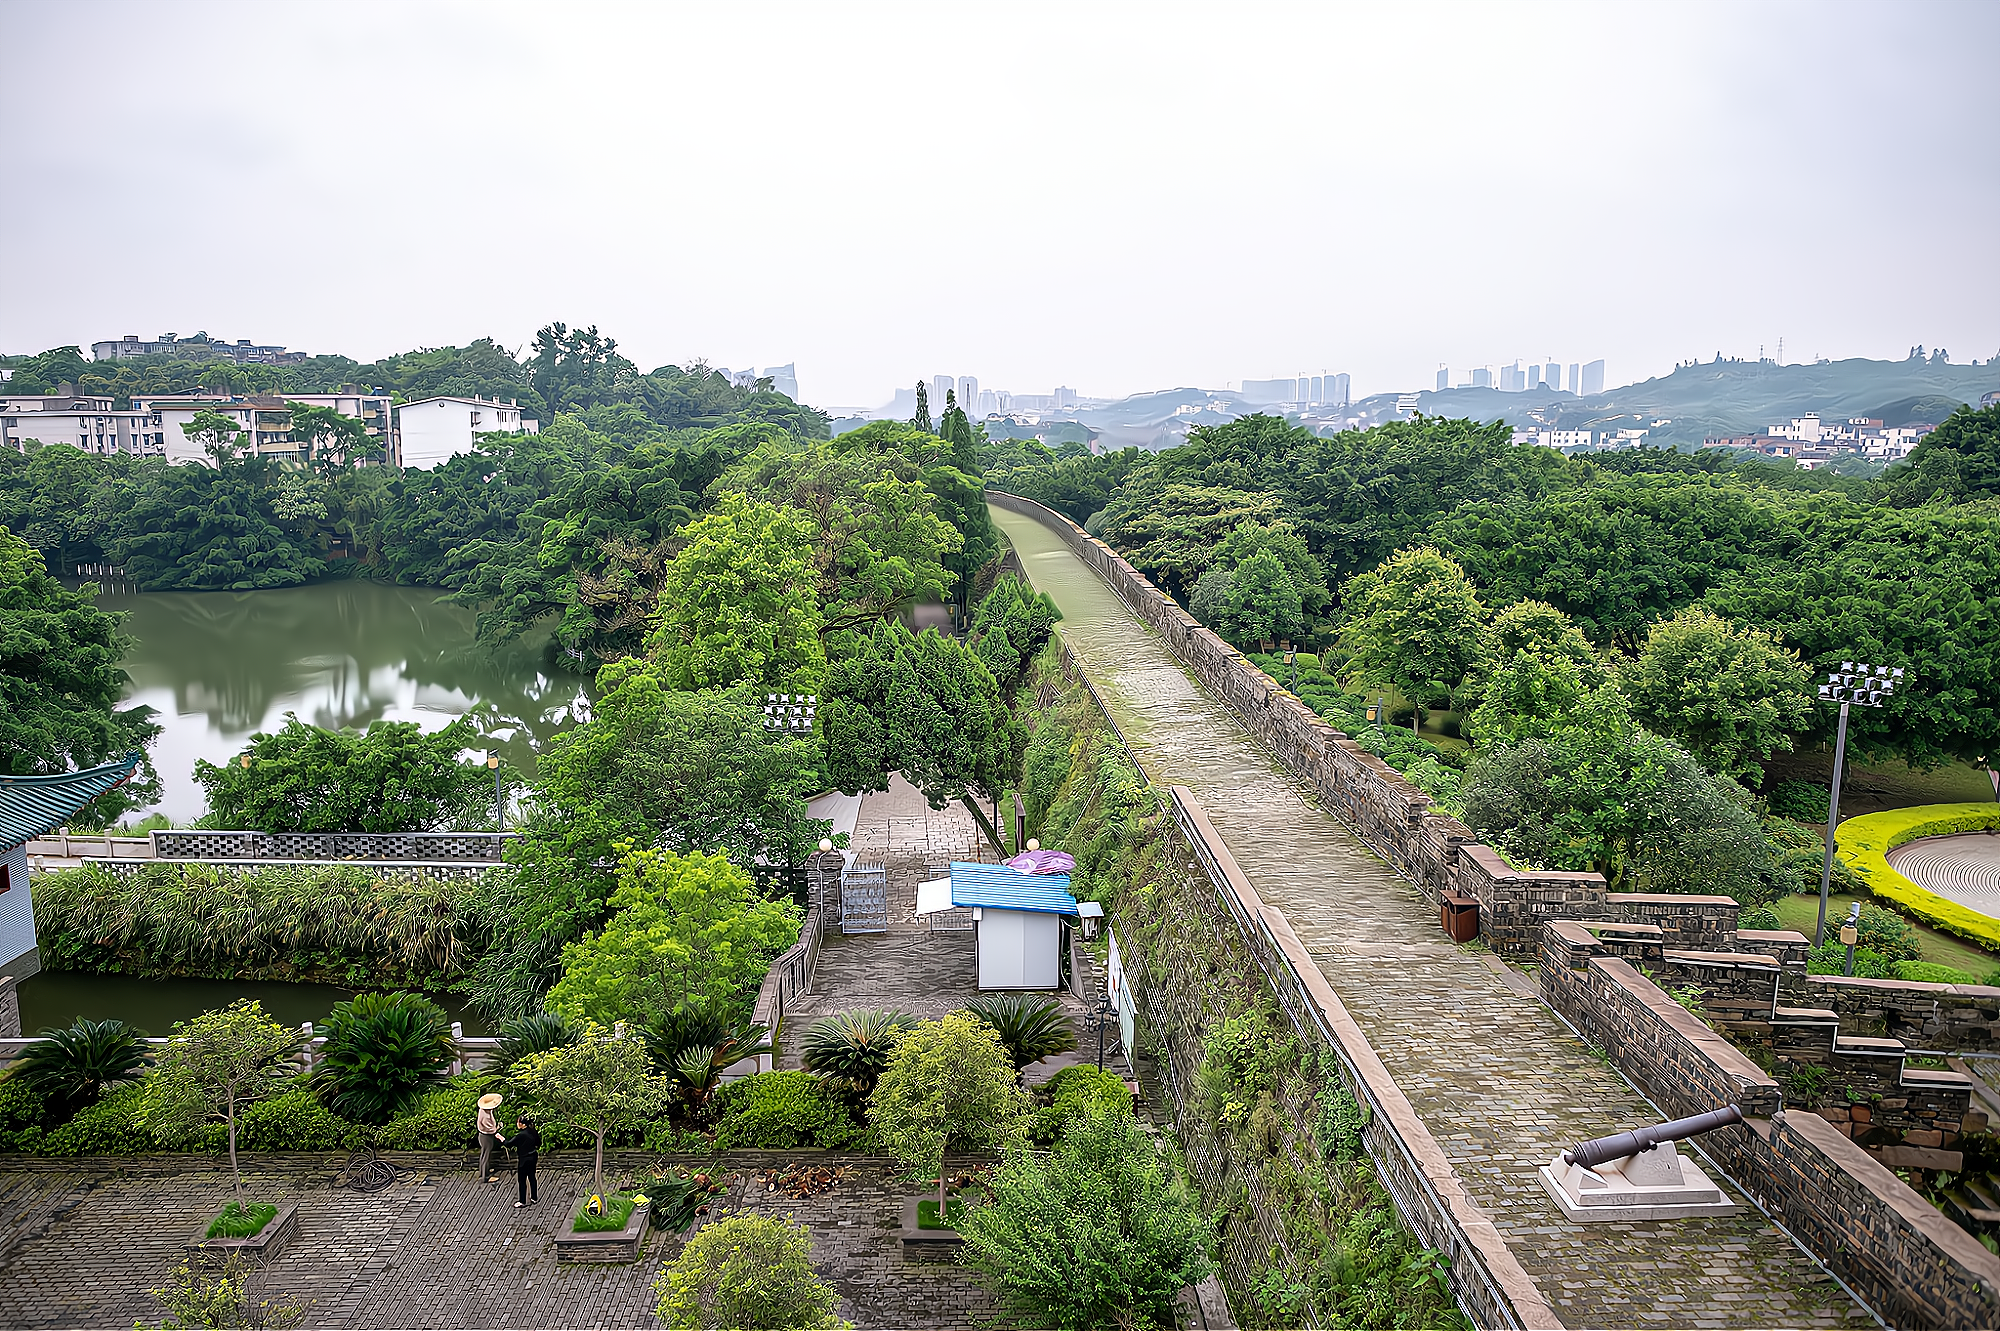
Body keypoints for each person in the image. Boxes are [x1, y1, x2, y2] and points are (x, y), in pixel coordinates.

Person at [476, 1091, 506, 1186]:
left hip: (484, 1135)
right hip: (486, 1136)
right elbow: (491, 1130)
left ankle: (484, 1171)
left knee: (484, 1154)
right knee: (486, 1155)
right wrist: (498, 1127)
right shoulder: (485, 1116)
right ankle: (485, 1177)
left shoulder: (483, 1110)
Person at [511, 1115, 541, 1208]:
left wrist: (500, 1137)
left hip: (524, 1159)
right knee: (532, 1177)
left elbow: (508, 1143)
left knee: (522, 1180)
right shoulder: (533, 1131)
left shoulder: (521, 1135)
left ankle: (522, 1201)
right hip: (533, 1156)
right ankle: (534, 1198)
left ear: (522, 1124)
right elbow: (538, 1143)